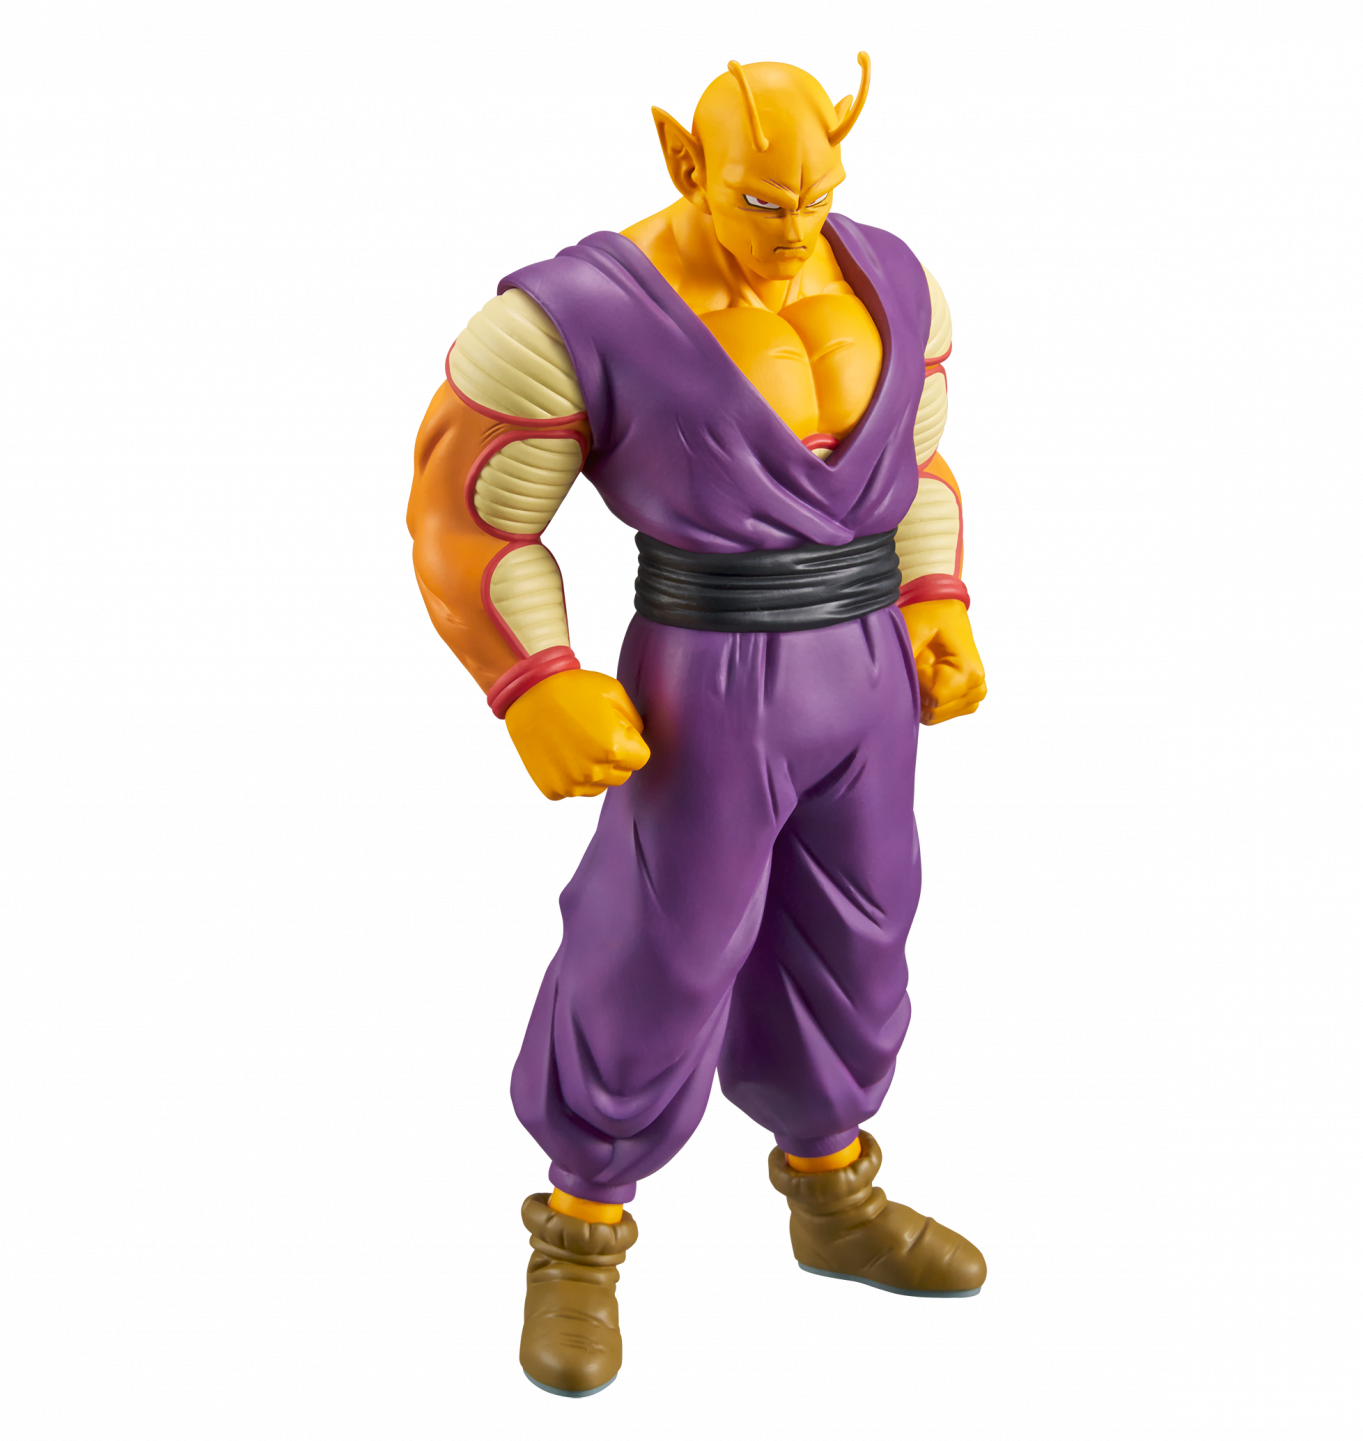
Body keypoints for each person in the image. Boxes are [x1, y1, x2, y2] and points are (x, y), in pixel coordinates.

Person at [406, 53, 990, 1400]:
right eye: (763, 202)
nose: (797, 228)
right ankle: (581, 1230)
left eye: (819, 194)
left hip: (866, 666)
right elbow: (466, 515)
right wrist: (534, 678)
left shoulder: (898, 280)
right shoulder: (565, 316)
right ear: (685, 163)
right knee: (662, 940)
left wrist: (936, 600)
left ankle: (833, 1193)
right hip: (707, 671)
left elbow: (918, 465)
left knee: (861, 927)